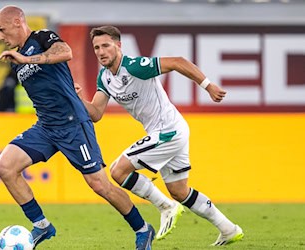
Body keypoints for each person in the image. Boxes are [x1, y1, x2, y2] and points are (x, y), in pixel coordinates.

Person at [0, 6, 155, 250]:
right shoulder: (16, 60)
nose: (0, 37)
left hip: (73, 124)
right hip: (46, 126)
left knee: (100, 185)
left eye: (1, 29)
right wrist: (23, 60)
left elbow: (65, 51)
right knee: (4, 166)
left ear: (17, 22)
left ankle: (143, 229)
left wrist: (28, 59)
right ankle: (41, 225)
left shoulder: (42, 38)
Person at [75, 25, 244, 246]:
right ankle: (228, 228)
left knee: (118, 171)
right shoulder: (105, 77)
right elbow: (96, 113)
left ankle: (165, 207)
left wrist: (208, 85)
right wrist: (76, 97)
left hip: (168, 131)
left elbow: (178, 62)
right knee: (179, 191)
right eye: (96, 47)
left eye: (106, 45)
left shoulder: (135, 66)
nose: (100, 51)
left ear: (118, 45)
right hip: (169, 131)